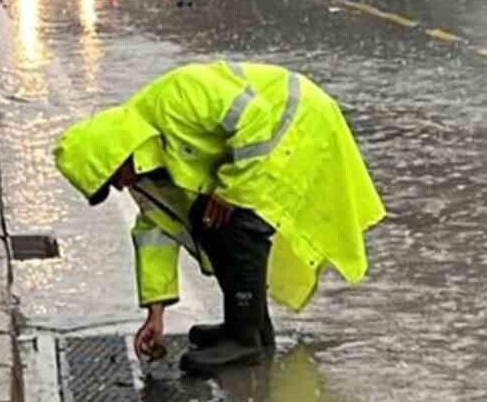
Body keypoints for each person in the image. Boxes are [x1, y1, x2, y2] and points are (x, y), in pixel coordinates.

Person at [54, 61, 386, 376]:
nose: (121, 186)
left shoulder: (177, 97)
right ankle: (250, 326)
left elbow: (256, 118)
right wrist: (156, 314)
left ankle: (243, 340)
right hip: (273, 139)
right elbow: (157, 232)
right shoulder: (148, 169)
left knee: (237, 221)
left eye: (115, 178)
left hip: (299, 123)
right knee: (208, 220)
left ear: (119, 153)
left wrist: (231, 191)